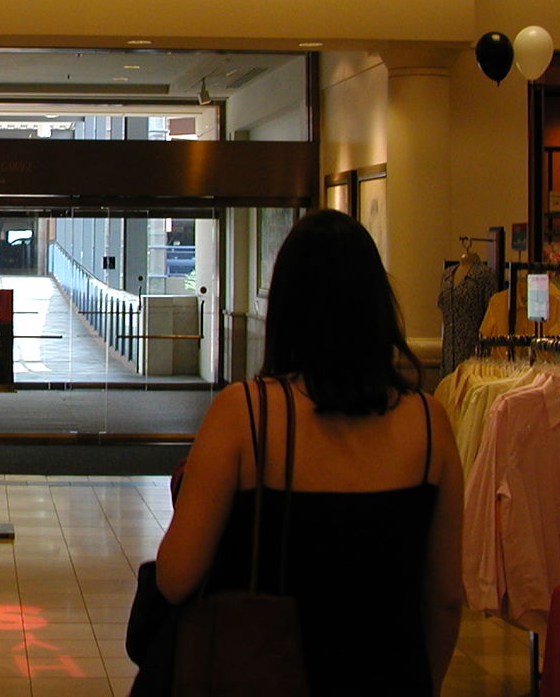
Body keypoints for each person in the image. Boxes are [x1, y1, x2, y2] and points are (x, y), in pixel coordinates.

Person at [152, 209, 463, 697]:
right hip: (388, 675)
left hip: (266, 671)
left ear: (285, 306)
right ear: (377, 305)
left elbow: (175, 577)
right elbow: (445, 599)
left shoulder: (247, 414)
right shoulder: (429, 424)